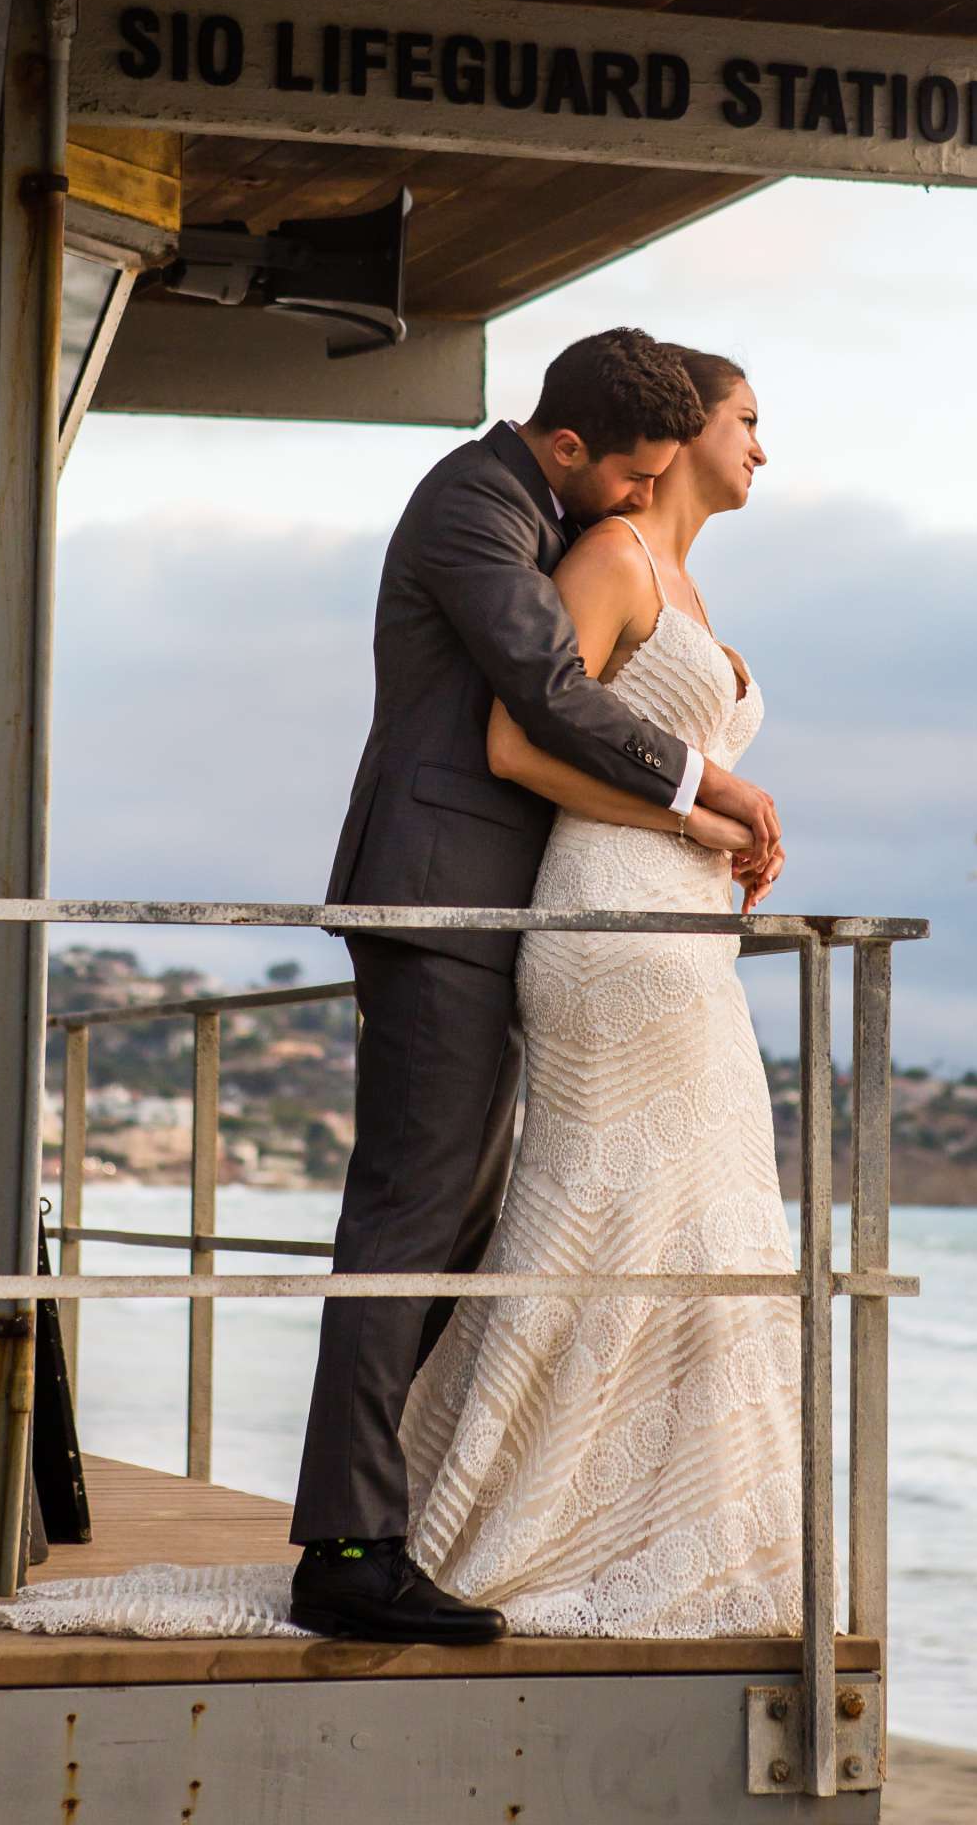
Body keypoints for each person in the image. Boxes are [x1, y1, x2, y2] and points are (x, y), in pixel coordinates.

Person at [289, 329, 783, 1642]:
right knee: (409, 1216)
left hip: (492, 908)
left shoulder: (534, 505)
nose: (634, 499)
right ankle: (345, 1550)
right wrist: (705, 790)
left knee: (453, 1222)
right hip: (438, 895)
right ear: (569, 449)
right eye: (628, 477)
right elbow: (545, 693)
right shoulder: (472, 503)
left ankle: (391, 1520)